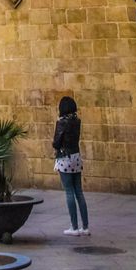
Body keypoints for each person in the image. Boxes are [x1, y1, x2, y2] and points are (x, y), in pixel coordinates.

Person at [53, 95, 89, 236]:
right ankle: (85, 227)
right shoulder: (77, 121)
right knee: (79, 192)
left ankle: (74, 227)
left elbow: (56, 142)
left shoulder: (62, 122)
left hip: (64, 158)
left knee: (69, 192)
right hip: (76, 156)